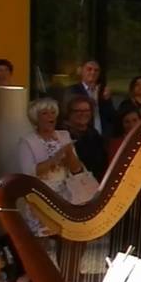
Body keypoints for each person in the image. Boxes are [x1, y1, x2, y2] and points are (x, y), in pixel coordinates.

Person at [17, 97, 84, 248]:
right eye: (45, 113)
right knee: (41, 245)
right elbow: (29, 173)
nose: (50, 117)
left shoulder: (64, 136)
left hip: (66, 196)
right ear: (36, 118)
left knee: (70, 242)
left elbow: (76, 169)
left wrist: (69, 154)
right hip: (40, 198)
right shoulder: (27, 141)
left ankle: (67, 271)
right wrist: (56, 157)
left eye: (53, 113)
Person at [63, 59, 115, 137]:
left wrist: (107, 100)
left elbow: (111, 116)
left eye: (96, 70)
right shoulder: (72, 90)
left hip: (103, 136)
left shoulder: (103, 91)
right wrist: (93, 98)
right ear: (81, 71)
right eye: (89, 69)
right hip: (81, 135)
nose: (93, 72)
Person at [63, 95, 108, 179]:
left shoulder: (94, 133)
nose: (83, 114)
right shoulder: (63, 135)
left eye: (86, 110)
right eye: (78, 111)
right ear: (69, 113)